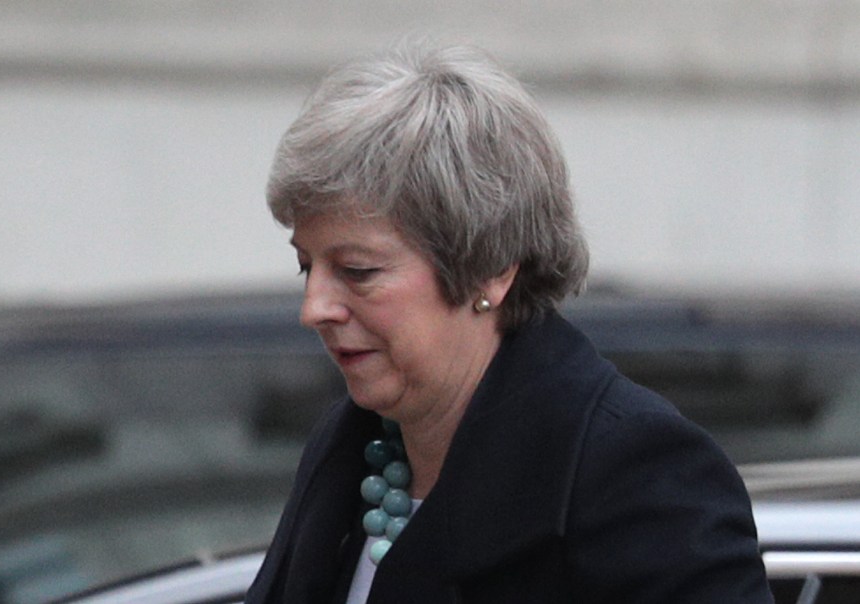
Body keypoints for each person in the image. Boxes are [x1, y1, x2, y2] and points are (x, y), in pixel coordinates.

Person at [245, 41, 773, 604]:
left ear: (490, 270)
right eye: (307, 266)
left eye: (358, 270)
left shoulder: (630, 468)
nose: (314, 309)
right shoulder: (352, 446)